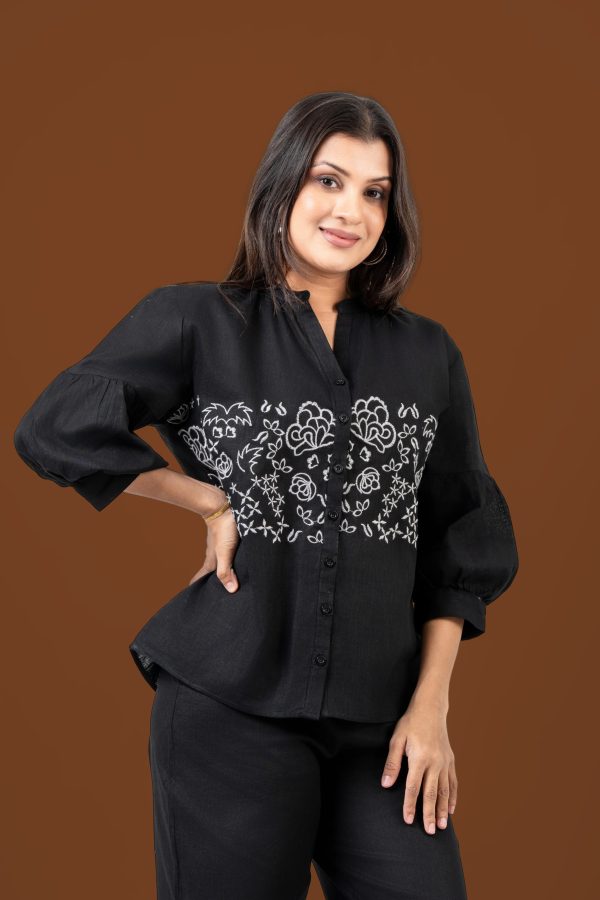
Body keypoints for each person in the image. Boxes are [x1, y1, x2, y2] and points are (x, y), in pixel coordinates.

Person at [13, 91, 519, 899]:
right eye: (328, 179)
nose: (350, 211)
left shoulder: (429, 355)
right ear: (283, 182)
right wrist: (206, 501)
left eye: (375, 192)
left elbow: (460, 541)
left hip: (383, 727)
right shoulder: (198, 321)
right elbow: (56, 427)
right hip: (229, 709)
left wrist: (431, 710)